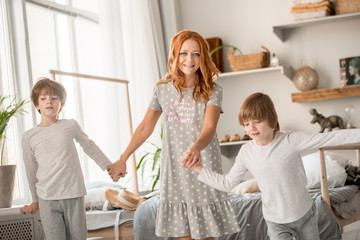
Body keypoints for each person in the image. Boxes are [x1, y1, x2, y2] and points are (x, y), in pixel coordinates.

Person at [107, 30, 240, 240]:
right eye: (184, 53)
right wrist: (123, 159)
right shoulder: (162, 89)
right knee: (183, 234)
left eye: (196, 54)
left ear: (203, 57)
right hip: (176, 169)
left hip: (202, 167)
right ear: (174, 55)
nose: (190, 59)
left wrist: (196, 148)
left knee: (206, 235)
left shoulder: (213, 90)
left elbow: (209, 128)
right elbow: (145, 127)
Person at [183, 92, 360, 240]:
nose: (251, 128)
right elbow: (227, 184)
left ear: (270, 119)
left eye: (256, 121)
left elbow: (328, 138)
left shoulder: (290, 140)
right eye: (245, 124)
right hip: (275, 222)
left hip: (305, 215)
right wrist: (198, 168)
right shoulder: (246, 152)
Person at [20, 77, 112, 240]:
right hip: (47, 197)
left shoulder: (70, 125)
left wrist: (109, 166)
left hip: (73, 194)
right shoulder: (28, 137)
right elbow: (31, 169)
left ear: (61, 104)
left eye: (54, 98)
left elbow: (89, 146)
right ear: (37, 105)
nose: (49, 101)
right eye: (43, 98)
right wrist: (35, 200)